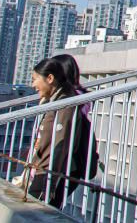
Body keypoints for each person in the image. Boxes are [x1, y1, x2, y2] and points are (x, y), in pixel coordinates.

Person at [26, 57, 95, 208]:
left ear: (50, 78)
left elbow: (60, 143)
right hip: (47, 169)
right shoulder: (57, 101)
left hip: (51, 170)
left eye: (35, 79)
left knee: (36, 210)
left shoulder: (66, 103)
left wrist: (50, 180)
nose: (33, 85)